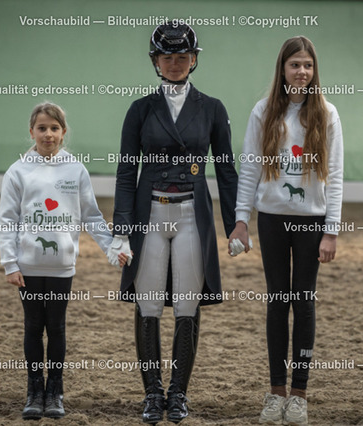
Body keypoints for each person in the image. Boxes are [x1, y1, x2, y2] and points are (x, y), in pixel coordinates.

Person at [112, 22, 238, 424]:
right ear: (156, 61)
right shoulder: (140, 109)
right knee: (148, 302)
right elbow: (126, 172)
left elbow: (226, 170)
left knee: (187, 302)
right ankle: (152, 393)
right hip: (149, 213)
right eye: (167, 57)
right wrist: (121, 228)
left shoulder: (213, 108)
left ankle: (178, 392)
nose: (175, 64)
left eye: (182, 57)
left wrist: (236, 223)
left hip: (190, 214)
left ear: (193, 60)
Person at [228, 36, 343, 425]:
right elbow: (249, 167)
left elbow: (336, 175)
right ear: (282, 68)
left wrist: (331, 230)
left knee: (303, 301)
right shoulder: (264, 111)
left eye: (308, 65)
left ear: (314, 70)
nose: (301, 71)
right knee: (278, 300)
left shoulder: (327, 114)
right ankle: (276, 392)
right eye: (295, 64)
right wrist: (241, 220)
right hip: (272, 219)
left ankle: (299, 395)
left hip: (312, 221)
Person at [0, 102, 121, 420]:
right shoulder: (18, 171)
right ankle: (34, 391)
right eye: (42, 128)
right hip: (27, 267)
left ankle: (55, 391)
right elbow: (7, 220)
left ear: (63, 132)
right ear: (32, 132)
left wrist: (111, 248)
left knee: (56, 327)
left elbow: (91, 216)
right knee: (32, 326)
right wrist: (10, 263)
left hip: (62, 267)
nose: (48, 134)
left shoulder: (76, 170)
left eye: (54, 128)